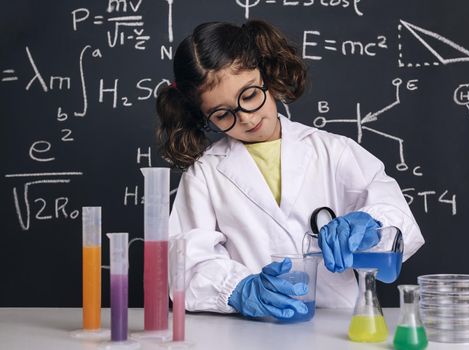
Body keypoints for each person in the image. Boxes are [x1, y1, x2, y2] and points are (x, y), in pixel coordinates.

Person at [157, 20, 424, 319]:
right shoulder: (205, 174)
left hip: (339, 326)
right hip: (249, 332)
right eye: (223, 114)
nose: (245, 118)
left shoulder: (334, 151)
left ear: (266, 74)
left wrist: (374, 227)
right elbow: (186, 262)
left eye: (249, 96)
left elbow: (397, 214)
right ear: (204, 116)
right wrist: (240, 289)